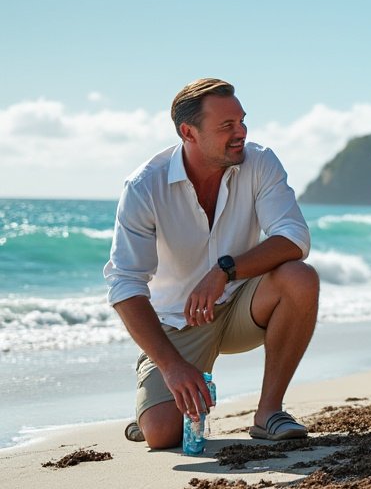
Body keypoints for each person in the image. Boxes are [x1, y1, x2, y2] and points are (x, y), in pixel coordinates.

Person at [105, 79, 318, 449]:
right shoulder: (143, 187)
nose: (241, 133)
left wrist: (225, 270)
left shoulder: (260, 161)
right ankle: (152, 404)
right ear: (188, 132)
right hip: (179, 322)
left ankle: (269, 412)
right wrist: (171, 366)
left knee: (299, 277)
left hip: (242, 305)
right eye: (227, 126)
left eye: (242, 122)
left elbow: (294, 238)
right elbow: (125, 285)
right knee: (162, 435)